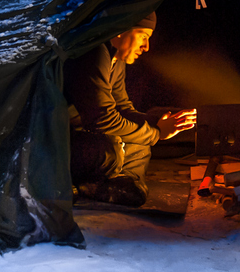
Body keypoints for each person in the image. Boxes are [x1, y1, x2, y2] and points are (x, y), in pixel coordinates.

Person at [65, 12, 197, 206]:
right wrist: (156, 133)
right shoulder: (94, 52)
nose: (146, 47)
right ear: (121, 30)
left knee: (139, 140)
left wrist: (159, 123)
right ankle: (95, 185)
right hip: (63, 142)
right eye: (144, 36)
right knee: (112, 150)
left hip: (89, 135)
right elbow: (102, 120)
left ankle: (124, 184)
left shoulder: (116, 60)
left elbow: (123, 108)